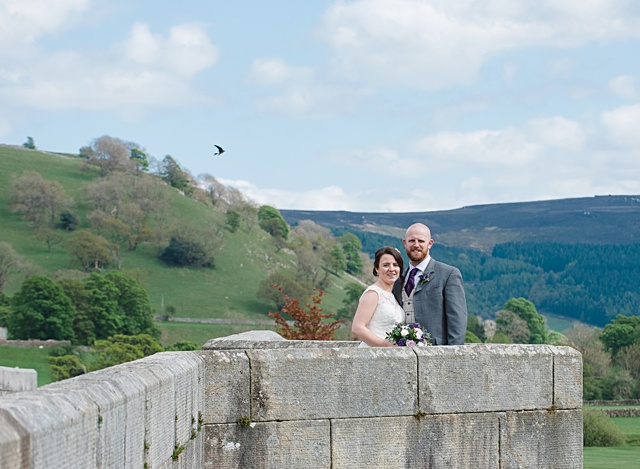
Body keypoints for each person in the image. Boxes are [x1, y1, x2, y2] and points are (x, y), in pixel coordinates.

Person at [392, 223, 468, 345]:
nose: (416, 245)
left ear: (430, 244)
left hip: (436, 351)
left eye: (421, 241)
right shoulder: (397, 281)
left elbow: (457, 319)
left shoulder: (449, 274)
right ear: (405, 243)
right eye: (412, 241)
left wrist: (453, 354)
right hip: (403, 353)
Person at [352, 246, 405, 347]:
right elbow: (357, 328)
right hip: (373, 353)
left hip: (391, 355)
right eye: (386, 265)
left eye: (395, 265)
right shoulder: (373, 293)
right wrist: (387, 346)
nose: (391, 269)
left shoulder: (393, 295)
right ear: (377, 269)